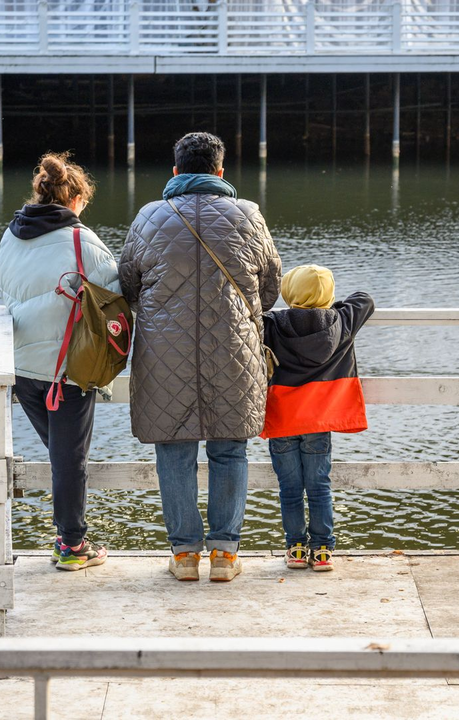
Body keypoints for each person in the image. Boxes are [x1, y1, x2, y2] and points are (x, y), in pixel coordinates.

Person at [119, 132, 281, 582]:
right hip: (234, 350)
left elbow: (128, 286)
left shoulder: (149, 217)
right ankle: (225, 556)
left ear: (175, 172)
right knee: (230, 449)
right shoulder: (248, 215)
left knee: (174, 450)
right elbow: (270, 289)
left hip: (162, 352)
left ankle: (185, 555)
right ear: (220, 172)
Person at [0, 151, 119, 571]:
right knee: (70, 460)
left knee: (62, 455)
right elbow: (117, 295)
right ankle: (72, 545)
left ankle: (70, 534)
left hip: (19, 369)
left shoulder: (10, 235)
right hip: (65, 371)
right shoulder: (83, 240)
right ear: (75, 199)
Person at [261, 265, 375, 572]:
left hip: (283, 420)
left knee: (290, 489)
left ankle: (296, 548)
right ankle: (323, 550)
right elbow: (364, 299)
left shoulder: (271, 324)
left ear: (289, 294)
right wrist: (330, 306)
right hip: (319, 422)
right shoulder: (341, 321)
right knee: (319, 486)